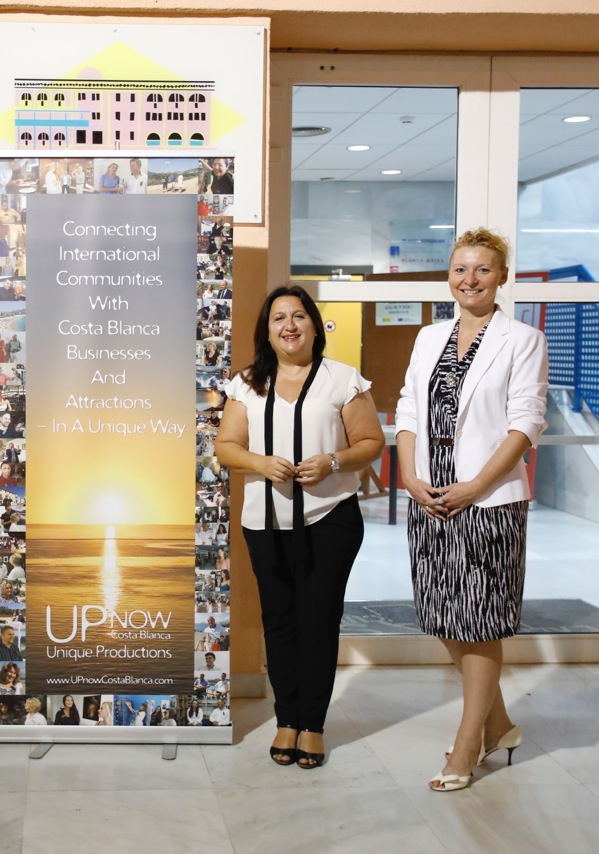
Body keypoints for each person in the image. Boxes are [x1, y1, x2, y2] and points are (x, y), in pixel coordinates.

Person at [396, 227, 548, 793]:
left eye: (482, 270)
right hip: (431, 500)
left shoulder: (523, 339)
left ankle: (469, 743)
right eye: (461, 269)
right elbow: (409, 409)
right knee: (442, 614)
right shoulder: (429, 337)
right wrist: (411, 478)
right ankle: (502, 724)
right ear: (449, 276)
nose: (470, 279)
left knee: (479, 620)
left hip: (489, 502)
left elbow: (525, 422)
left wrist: (475, 485)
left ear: (502, 277)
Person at [215, 284, 384, 769]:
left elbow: (371, 442)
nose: (289, 325)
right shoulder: (245, 383)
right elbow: (226, 447)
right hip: (264, 523)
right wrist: (259, 463)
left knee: (318, 621)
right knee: (279, 621)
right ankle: (285, 717)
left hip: (330, 519)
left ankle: (312, 723)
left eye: (298, 316)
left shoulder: (342, 379)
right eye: (278, 319)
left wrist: (333, 460)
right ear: (266, 332)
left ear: (314, 325)